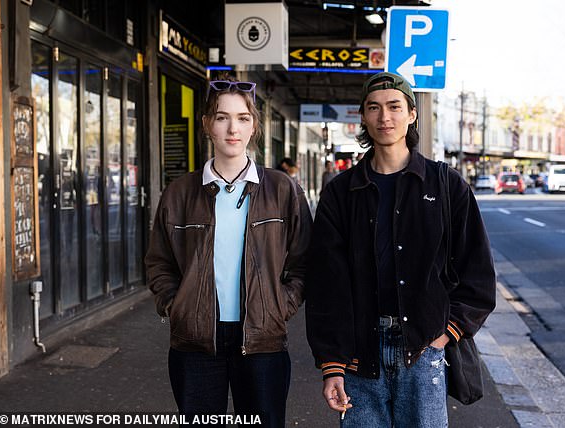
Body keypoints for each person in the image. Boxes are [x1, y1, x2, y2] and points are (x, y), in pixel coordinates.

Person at [305, 72, 496, 427]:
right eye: (374, 108)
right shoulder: (341, 193)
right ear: (362, 116)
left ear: (412, 115)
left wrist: (447, 333)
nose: (384, 117)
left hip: (424, 352)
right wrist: (332, 363)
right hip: (359, 357)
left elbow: (478, 274)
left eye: (394, 107)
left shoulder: (446, 185)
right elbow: (326, 285)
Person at [146, 77, 312, 427]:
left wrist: (281, 307)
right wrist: (176, 306)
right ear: (207, 124)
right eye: (222, 117)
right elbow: (159, 261)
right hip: (195, 340)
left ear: (254, 126)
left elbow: (304, 261)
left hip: (263, 339)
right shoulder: (179, 193)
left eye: (242, 118)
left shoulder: (283, 189)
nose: (232, 128)